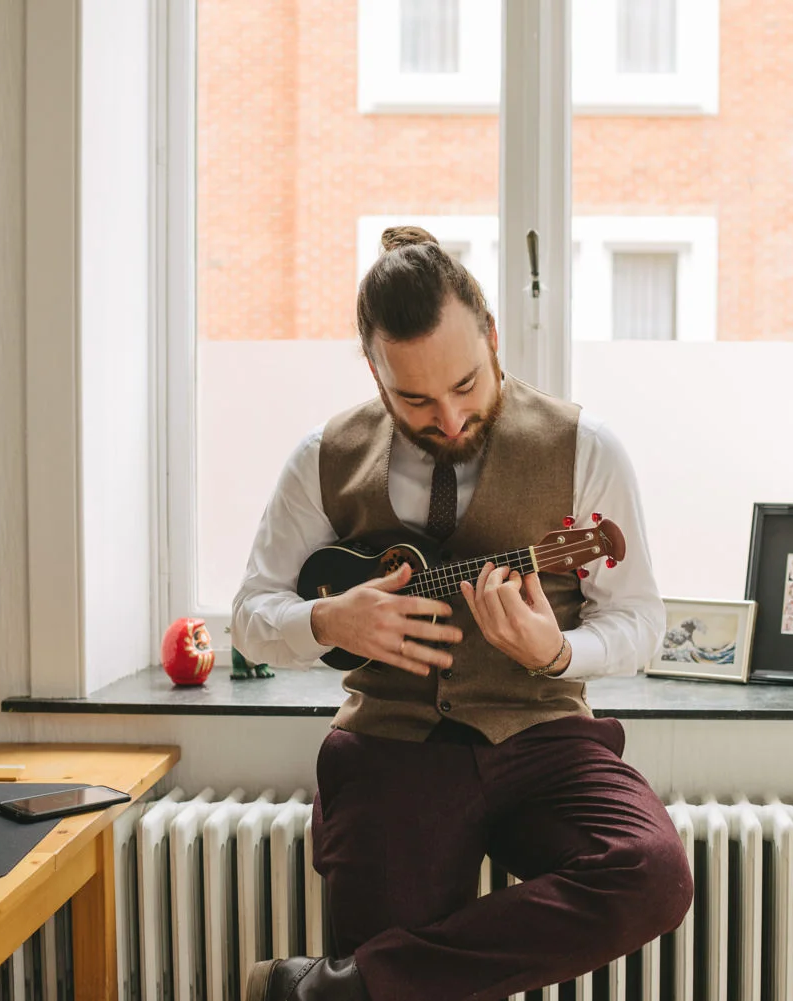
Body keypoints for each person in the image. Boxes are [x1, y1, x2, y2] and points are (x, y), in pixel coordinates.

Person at [231, 226, 693, 1001]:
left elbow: (642, 621)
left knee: (650, 872)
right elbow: (250, 614)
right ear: (376, 373)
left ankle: (334, 990)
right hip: (390, 745)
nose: (447, 417)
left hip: (542, 735)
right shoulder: (322, 456)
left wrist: (557, 652)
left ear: (493, 337)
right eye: (415, 399)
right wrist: (329, 623)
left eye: (466, 385)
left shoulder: (587, 448)